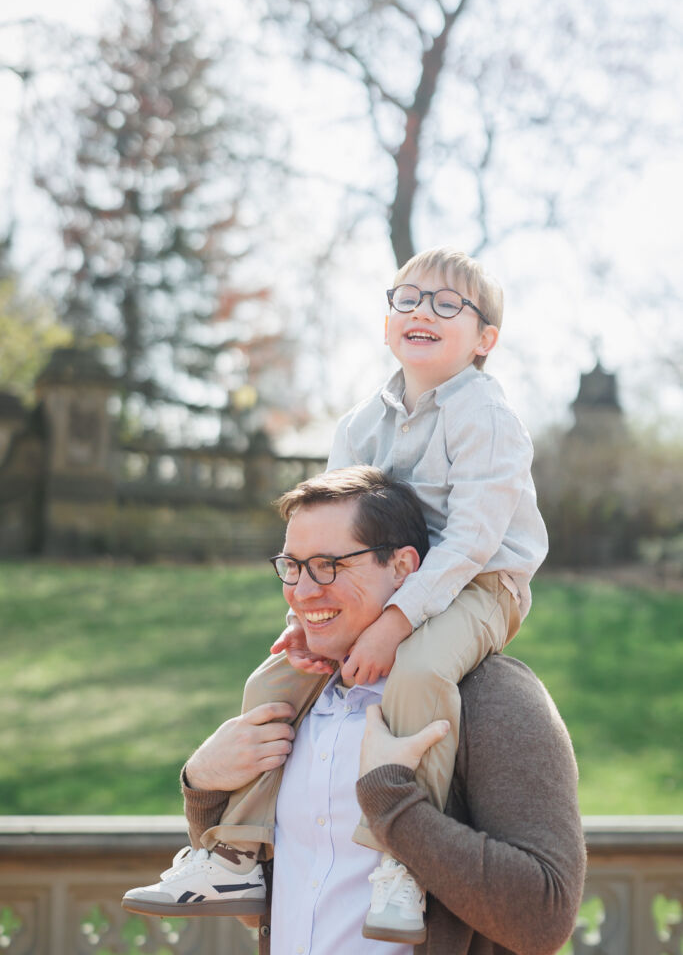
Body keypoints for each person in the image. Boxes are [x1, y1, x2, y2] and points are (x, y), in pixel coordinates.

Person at [124, 247, 549, 942]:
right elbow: (326, 529)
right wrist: (306, 612)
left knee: (416, 670)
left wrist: (393, 620)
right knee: (273, 677)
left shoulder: (487, 416)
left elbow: (473, 538)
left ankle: (399, 863)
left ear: (484, 341)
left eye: (448, 305)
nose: (421, 312)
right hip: (388, 584)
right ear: (386, 322)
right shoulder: (360, 424)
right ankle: (235, 851)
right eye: (406, 299)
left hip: (479, 582)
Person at [122, 468, 586, 954]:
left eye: (328, 565)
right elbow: (254, 904)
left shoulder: (493, 698)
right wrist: (203, 788)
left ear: (404, 567)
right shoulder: (296, 704)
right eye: (293, 566)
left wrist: (392, 804)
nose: (302, 592)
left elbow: (544, 919)